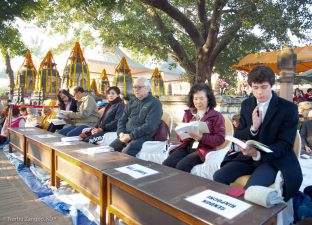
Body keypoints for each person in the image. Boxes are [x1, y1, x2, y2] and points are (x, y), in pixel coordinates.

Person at [213, 66, 302, 201]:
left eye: (264, 87)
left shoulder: (288, 108)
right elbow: (239, 133)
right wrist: (253, 128)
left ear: (272, 85)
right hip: (248, 158)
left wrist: (258, 153)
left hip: (274, 160)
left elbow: (285, 144)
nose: (259, 92)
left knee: (250, 190)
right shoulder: (247, 104)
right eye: (255, 87)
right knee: (218, 177)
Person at [163, 83, 225, 172]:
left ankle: (186, 185)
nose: (198, 102)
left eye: (201, 98)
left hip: (204, 149)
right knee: (167, 163)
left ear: (208, 99)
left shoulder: (216, 116)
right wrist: (183, 134)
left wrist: (201, 137)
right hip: (188, 146)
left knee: (182, 166)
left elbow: (220, 139)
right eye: (195, 98)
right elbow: (180, 137)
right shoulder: (188, 113)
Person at [109, 77, 162, 156]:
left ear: (147, 89)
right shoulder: (132, 102)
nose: (136, 90)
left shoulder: (155, 103)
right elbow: (121, 120)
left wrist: (131, 136)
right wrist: (120, 133)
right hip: (126, 134)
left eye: (139, 87)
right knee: (109, 150)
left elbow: (150, 126)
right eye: (134, 87)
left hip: (143, 136)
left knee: (125, 154)